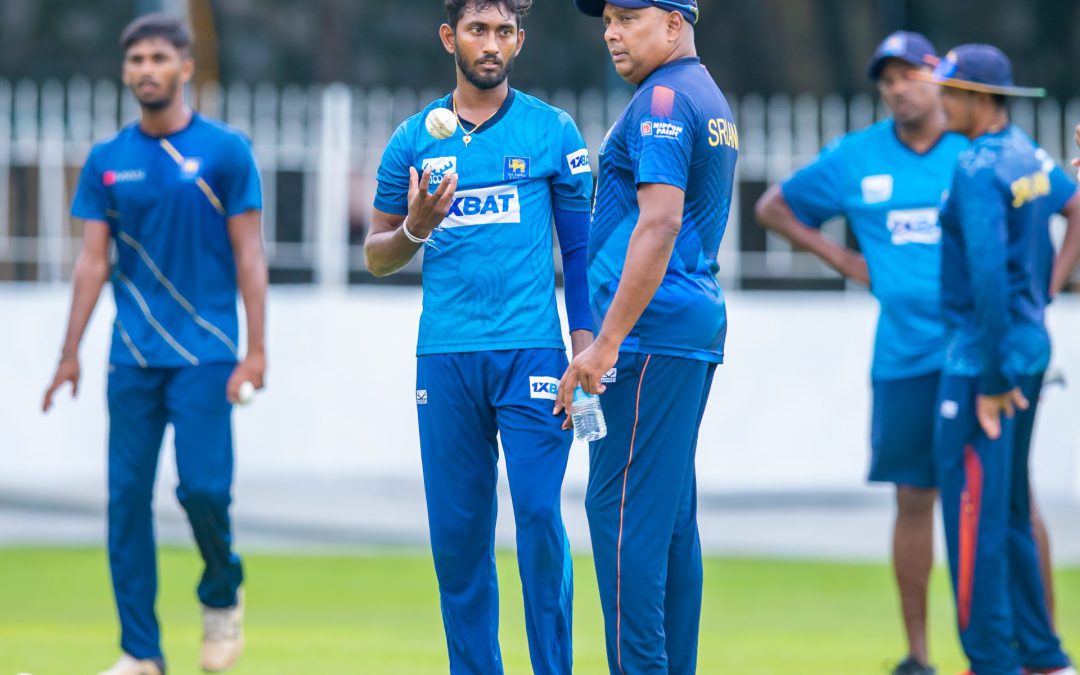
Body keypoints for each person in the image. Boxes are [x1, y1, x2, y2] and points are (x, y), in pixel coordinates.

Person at [364, 0, 594, 672]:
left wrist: (585, 351)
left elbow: (579, 254)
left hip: (533, 353)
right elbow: (376, 254)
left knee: (539, 515)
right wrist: (416, 226)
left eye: (503, 31)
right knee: (459, 538)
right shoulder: (414, 140)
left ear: (519, 40)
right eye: (476, 30)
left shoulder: (552, 131)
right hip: (446, 358)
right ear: (449, 37)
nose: (490, 43)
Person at [40, 14, 266, 675]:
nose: (147, 69)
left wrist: (257, 350)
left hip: (207, 354)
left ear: (185, 68)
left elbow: (250, 255)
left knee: (203, 490)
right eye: (136, 59)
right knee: (126, 501)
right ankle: (141, 652)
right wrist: (69, 352)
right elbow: (92, 261)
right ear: (125, 71)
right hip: (132, 357)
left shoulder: (225, 152)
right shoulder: (107, 161)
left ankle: (221, 589)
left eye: (159, 58)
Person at [755, 32, 969, 675]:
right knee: (913, 501)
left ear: (939, 76)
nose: (897, 88)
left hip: (973, 356)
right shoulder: (858, 156)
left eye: (909, 75)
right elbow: (774, 208)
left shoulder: (972, 149)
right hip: (903, 359)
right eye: (887, 79)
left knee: (998, 501)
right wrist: (846, 259)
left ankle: (1025, 655)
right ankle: (919, 655)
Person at [559, 1, 737, 672]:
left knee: (621, 514)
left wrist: (605, 343)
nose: (611, 32)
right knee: (668, 519)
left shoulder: (664, 98)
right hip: (678, 329)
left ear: (673, 22)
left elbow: (659, 222)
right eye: (607, 19)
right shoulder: (702, 94)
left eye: (628, 16)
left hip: (647, 335)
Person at [916, 44, 1080, 675]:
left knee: (972, 515)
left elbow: (986, 274)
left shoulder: (978, 165)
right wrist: (1044, 295)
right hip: (1027, 348)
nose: (938, 101)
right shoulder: (1028, 153)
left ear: (979, 98)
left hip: (981, 364)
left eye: (948, 91)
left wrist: (989, 379)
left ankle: (989, 661)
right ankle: (1043, 655)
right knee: (1009, 507)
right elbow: (1075, 206)